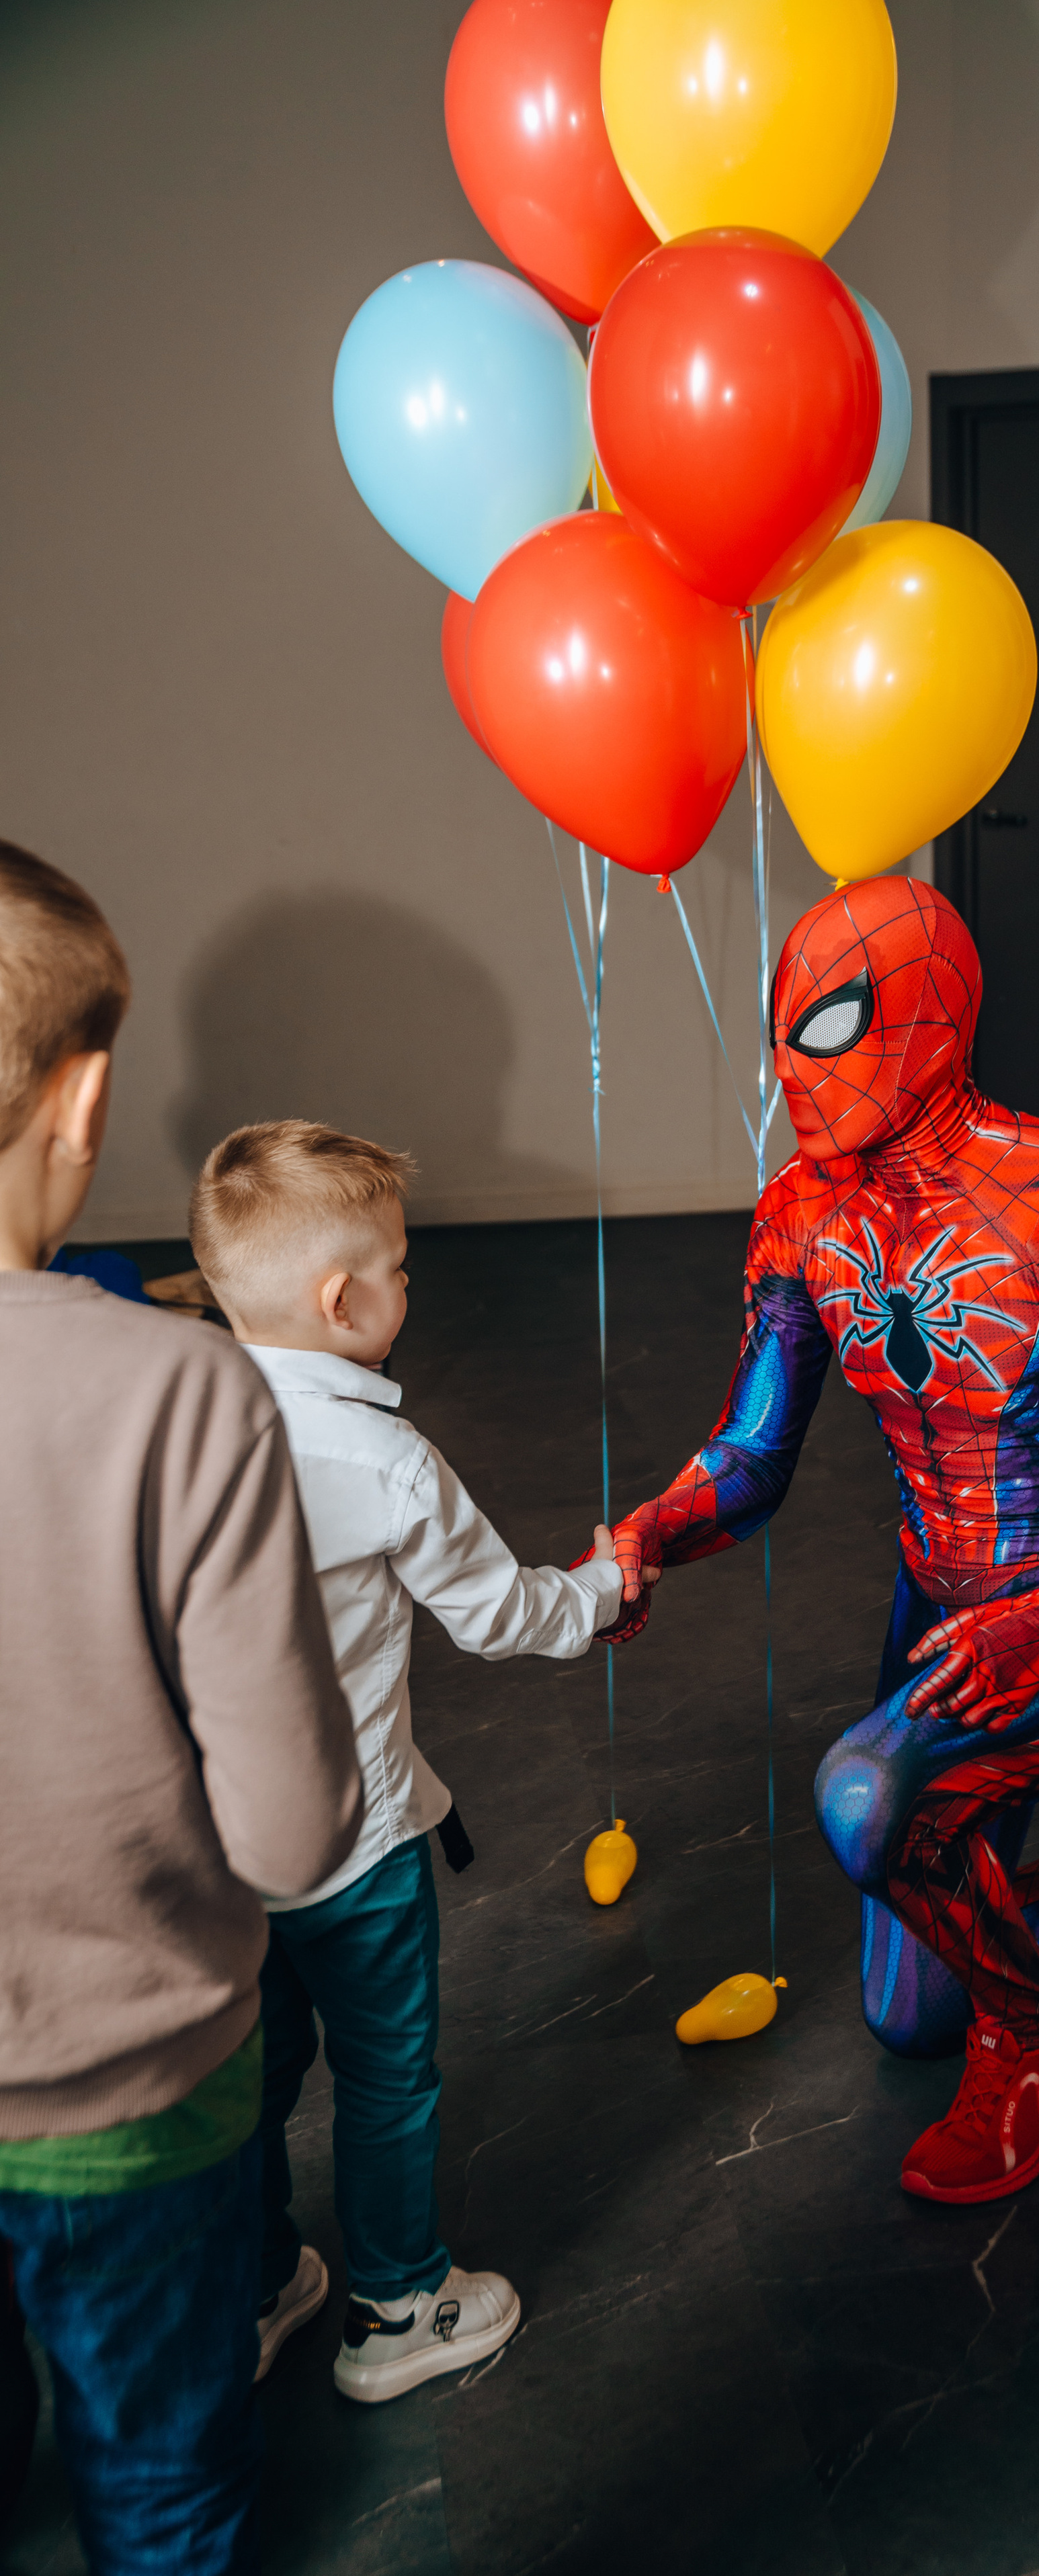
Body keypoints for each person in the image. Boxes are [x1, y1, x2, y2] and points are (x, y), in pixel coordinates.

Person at [606, 879, 1039, 2206]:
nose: (792, 1071)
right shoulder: (801, 1215)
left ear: (933, 1027)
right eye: (782, 1031)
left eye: (831, 1028)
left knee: (869, 1802)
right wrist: (651, 1530)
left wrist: (1038, 1619)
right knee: (911, 2015)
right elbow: (752, 1456)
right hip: (934, 1609)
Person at [0, 845, 363, 2573]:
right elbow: (291, 1832)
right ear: (82, 1101)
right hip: (133, 2105)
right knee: (161, 2494)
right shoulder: (184, 1390)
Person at [188, 1121, 632, 2402]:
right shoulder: (383, 1458)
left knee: (252, 2075)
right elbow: (503, 1614)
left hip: (220, 1846)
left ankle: (262, 2282)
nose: (404, 1286)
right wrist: (605, 1585)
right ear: (343, 1301)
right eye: (399, 1267)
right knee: (388, 2076)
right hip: (360, 1843)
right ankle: (396, 2308)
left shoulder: (179, 1427)